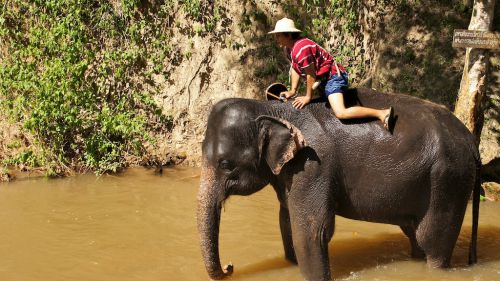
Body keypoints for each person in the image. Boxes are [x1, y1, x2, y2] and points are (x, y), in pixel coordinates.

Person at [268, 17, 394, 131]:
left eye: (278, 35)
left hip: (332, 77)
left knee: (340, 112)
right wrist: (292, 90)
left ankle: (382, 114)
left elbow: (310, 74)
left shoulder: (302, 48)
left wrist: (308, 97)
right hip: (322, 80)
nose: (276, 38)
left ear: (289, 35)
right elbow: (295, 67)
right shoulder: (289, 49)